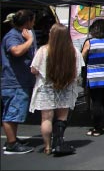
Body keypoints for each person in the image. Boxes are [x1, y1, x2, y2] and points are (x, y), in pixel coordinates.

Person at [29, 23, 84, 155]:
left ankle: (47, 146)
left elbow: (34, 70)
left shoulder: (43, 50)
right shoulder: (74, 51)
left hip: (46, 88)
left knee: (46, 119)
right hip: (65, 87)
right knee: (61, 118)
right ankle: (59, 142)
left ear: (52, 35)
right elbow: (78, 71)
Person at [1, 9, 36, 154]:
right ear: (28, 21)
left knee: (16, 113)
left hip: (22, 80)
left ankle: (13, 139)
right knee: (12, 113)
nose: (34, 23)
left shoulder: (22, 33)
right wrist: (29, 41)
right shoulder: (13, 36)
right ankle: (11, 144)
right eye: (33, 20)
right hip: (14, 81)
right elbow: (15, 51)